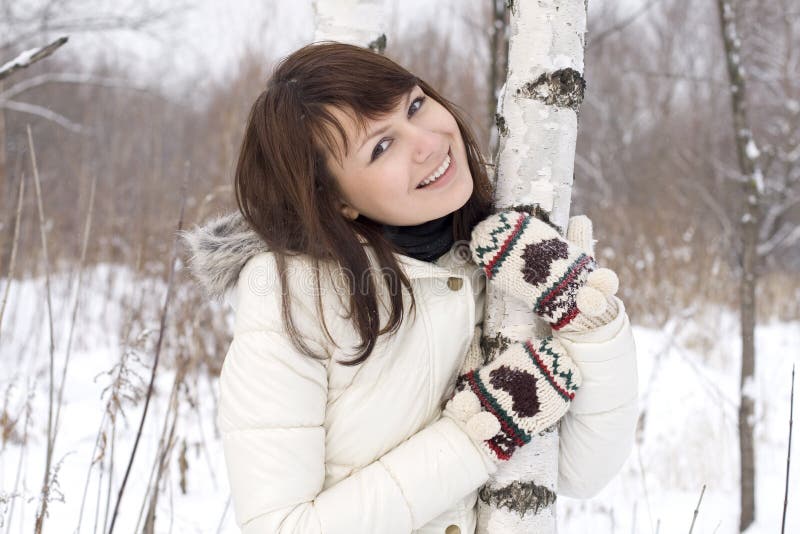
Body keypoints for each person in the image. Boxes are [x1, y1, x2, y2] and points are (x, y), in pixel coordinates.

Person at [183, 42, 638, 534]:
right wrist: (474, 435)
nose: (427, 142)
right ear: (336, 201)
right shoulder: (291, 295)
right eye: (381, 147)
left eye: (415, 105)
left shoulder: (498, 257)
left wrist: (589, 324)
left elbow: (577, 472)